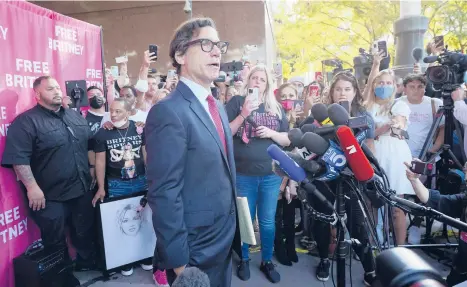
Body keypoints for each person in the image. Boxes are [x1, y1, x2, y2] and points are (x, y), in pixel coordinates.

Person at [145, 17, 238, 287]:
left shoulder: (217, 106)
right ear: (180, 55)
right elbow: (164, 192)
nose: (217, 51)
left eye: (219, 45)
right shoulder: (168, 111)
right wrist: (180, 264)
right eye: (206, 43)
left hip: (224, 240)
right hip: (194, 252)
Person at [1, 76, 96, 286]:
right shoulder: (26, 122)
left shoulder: (72, 116)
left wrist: (93, 171)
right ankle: (62, 278)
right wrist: (32, 187)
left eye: (57, 88)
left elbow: (89, 142)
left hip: (80, 189)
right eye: (50, 89)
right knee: (55, 241)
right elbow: (19, 158)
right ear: (37, 94)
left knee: (84, 230)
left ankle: (87, 264)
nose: (56, 91)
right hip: (50, 197)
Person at [225, 64, 290, 283]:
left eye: (262, 79)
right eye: (254, 78)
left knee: (267, 222)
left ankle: (266, 260)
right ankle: (244, 259)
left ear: (268, 84)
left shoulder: (276, 107)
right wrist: (244, 113)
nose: (257, 82)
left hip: (271, 175)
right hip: (244, 174)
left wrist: (272, 133)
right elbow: (226, 133)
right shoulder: (236, 102)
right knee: (245, 219)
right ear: (248, 80)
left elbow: (288, 140)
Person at [313, 71, 377, 285]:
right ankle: (324, 259)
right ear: (331, 92)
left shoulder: (363, 116)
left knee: (358, 224)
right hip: (323, 176)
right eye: (338, 89)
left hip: (351, 178)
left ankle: (370, 268)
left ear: (355, 92)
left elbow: (370, 147)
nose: (342, 93)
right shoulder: (318, 117)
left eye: (347, 89)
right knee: (322, 222)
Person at [364, 69, 414, 246]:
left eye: (388, 83)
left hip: (394, 155)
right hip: (371, 154)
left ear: (394, 86)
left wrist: (394, 126)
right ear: (374, 85)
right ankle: (373, 244)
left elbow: (399, 124)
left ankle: (401, 247)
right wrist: (381, 129)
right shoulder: (367, 107)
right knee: (372, 202)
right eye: (380, 83)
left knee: (397, 207)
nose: (383, 86)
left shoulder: (399, 105)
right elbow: (367, 133)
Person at [405, 161, 467, 286]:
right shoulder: (464, 200)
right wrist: (414, 180)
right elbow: (434, 199)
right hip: (460, 271)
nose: (464, 168)